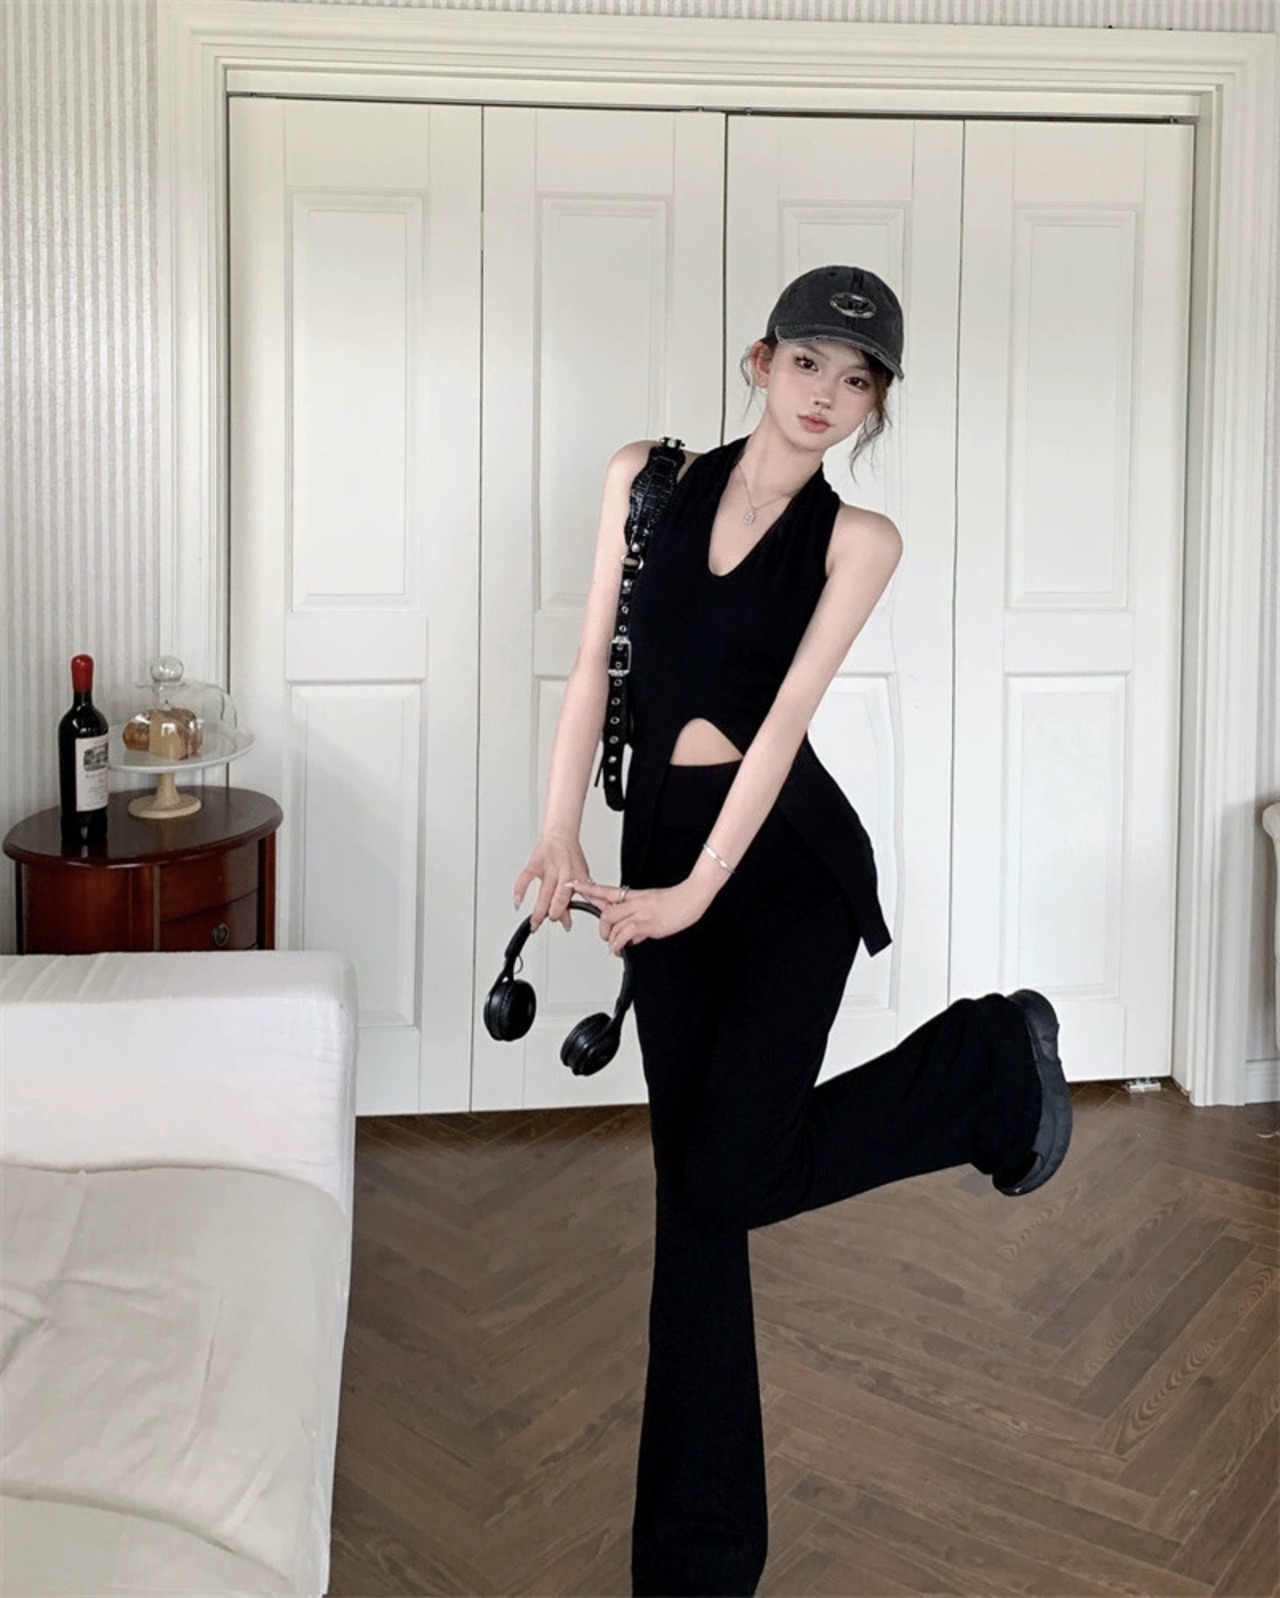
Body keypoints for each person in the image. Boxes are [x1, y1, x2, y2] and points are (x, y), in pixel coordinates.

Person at [511, 264, 1072, 1598]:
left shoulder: (858, 540)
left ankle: (991, 1062)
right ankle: (696, 1566)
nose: (828, 394)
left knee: (725, 1175)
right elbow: (593, 665)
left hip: (785, 876)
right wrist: (558, 830)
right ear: (761, 360)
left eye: (858, 378)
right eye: (810, 361)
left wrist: (696, 896)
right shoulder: (647, 481)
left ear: (876, 403)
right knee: (698, 1205)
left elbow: (778, 735)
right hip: (659, 856)